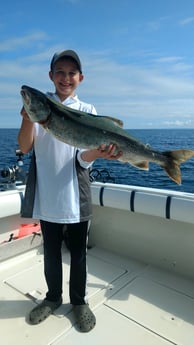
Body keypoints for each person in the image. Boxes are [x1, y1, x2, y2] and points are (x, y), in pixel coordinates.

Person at [18, 49, 122, 332]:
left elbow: (81, 158)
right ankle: (52, 298)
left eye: (71, 73)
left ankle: (79, 301)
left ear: (80, 78)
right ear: (51, 76)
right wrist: (28, 117)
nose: (65, 78)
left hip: (76, 195)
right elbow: (25, 147)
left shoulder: (88, 111)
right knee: (50, 253)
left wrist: (99, 154)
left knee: (78, 254)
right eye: (60, 72)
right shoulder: (40, 108)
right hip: (47, 196)